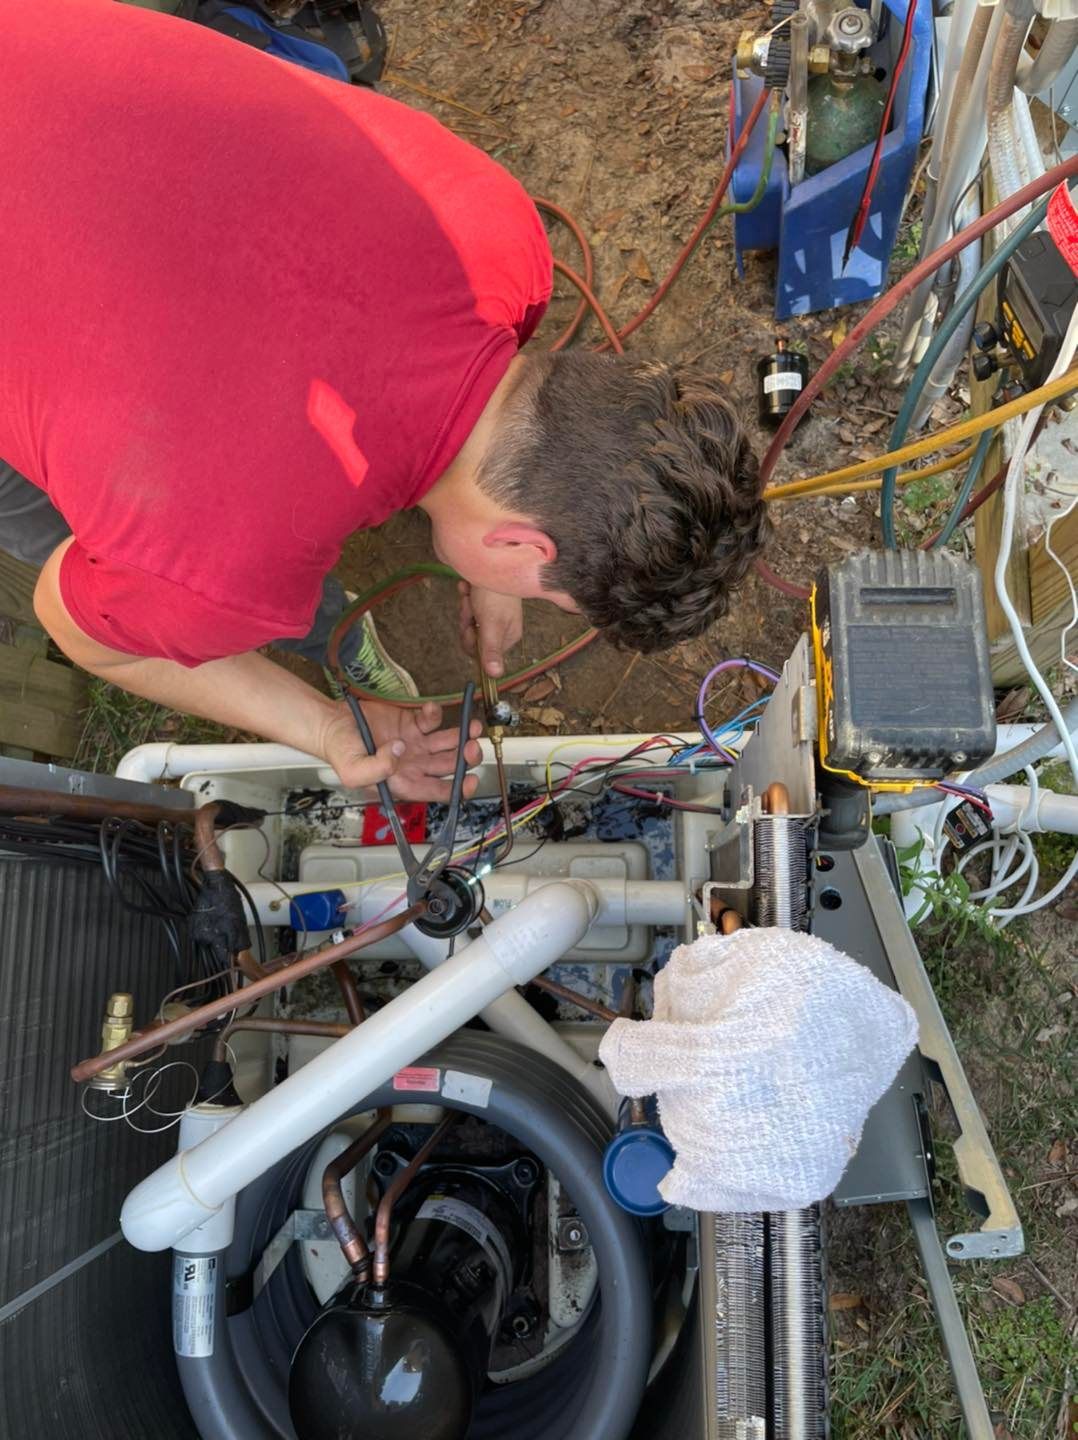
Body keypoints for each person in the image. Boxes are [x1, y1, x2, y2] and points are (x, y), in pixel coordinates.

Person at [1, 0, 768, 800]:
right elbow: (84, 635)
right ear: (522, 547)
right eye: (552, 595)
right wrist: (324, 727)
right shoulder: (219, 563)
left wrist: (495, 570)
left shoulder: (501, 232)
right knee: (68, 536)